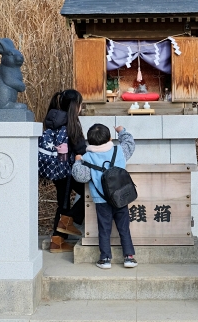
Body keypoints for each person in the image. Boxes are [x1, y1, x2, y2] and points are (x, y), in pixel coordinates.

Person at [72, 123, 138, 269]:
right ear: (109, 138)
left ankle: (105, 258)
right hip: (121, 197)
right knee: (124, 228)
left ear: (89, 141)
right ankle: (129, 257)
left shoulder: (87, 157)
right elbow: (130, 143)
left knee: (104, 228)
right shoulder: (119, 151)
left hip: (101, 200)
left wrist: (77, 162)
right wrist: (122, 131)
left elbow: (80, 176)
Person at [43, 90, 87, 253]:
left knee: (63, 202)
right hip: (69, 170)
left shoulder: (53, 118)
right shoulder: (71, 122)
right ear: (76, 106)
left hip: (55, 167)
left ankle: (57, 242)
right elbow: (80, 149)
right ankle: (69, 219)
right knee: (92, 192)